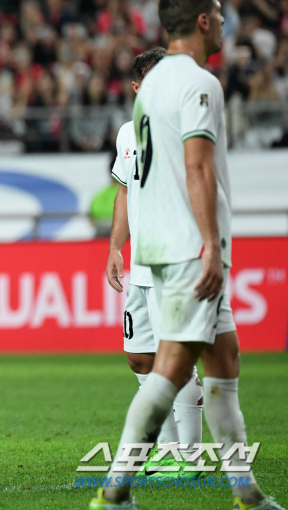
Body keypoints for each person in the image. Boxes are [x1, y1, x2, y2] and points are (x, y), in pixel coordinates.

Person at [90, 0, 284, 510]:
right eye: (218, 12)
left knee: (225, 359)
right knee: (171, 367)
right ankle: (115, 487)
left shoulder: (150, 90)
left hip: (166, 246)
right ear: (202, 20)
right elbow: (196, 166)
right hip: (187, 250)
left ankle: (245, 489)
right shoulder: (199, 84)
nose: (223, 20)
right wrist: (207, 245)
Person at [106, 47, 207, 476]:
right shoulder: (127, 134)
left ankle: (191, 454)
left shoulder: (187, 129)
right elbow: (125, 192)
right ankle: (167, 449)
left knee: (177, 358)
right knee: (139, 357)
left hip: (175, 263)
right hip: (140, 265)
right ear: (137, 87)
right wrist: (114, 247)